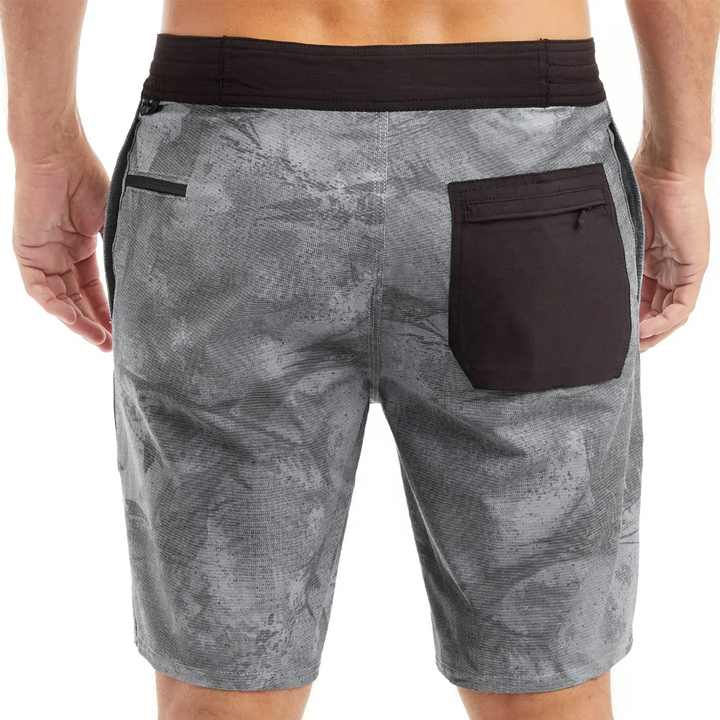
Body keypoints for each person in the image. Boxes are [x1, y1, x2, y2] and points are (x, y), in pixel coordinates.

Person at [1, 1, 716, 719]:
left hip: (229, 162)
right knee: (548, 673)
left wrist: (44, 152)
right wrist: (677, 167)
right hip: (528, 164)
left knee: (224, 677)